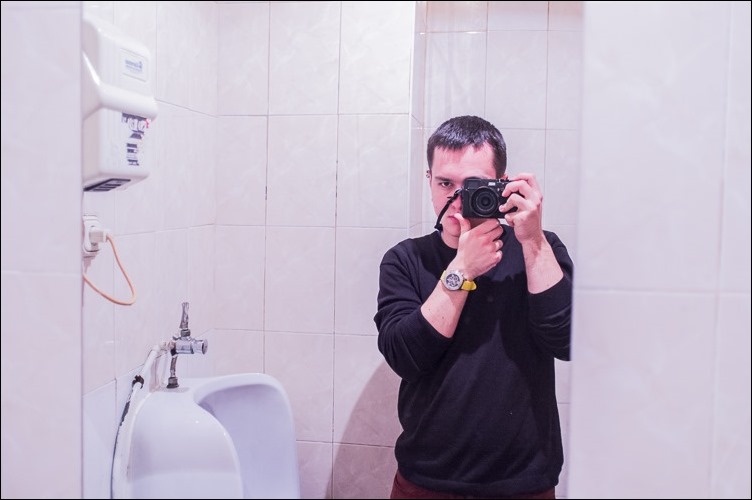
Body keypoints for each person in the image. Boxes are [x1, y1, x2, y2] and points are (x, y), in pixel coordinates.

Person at [374, 115, 573, 499]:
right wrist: (461, 269)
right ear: (428, 180)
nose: (457, 200)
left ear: (503, 184)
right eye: (445, 183)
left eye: (473, 185)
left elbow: (566, 341)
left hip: (524, 482)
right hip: (426, 479)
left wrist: (532, 240)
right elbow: (405, 358)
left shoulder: (540, 247)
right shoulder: (405, 260)